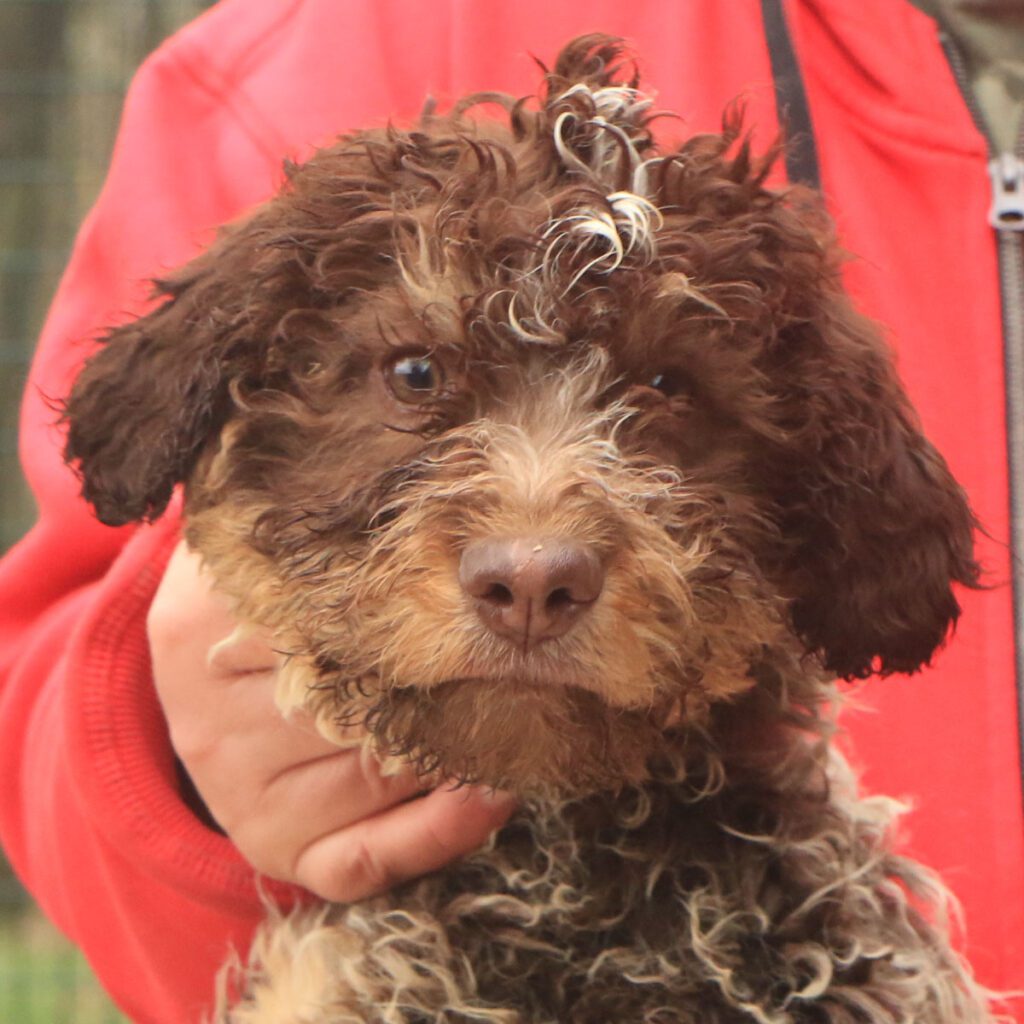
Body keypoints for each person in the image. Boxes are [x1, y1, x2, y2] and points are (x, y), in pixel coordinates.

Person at [0, 1, 1021, 1021]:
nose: (532, 556)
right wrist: (164, 742)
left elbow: (889, 586)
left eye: (667, 394)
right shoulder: (306, 53)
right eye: (412, 374)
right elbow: (53, 626)